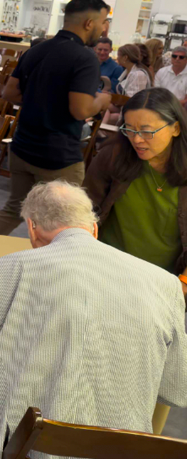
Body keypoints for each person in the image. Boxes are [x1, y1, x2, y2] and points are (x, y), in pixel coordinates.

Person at [0, 180, 187, 459]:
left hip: (15, 447)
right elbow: (175, 390)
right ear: (93, 228)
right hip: (116, 450)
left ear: (31, 227)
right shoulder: (166, 285)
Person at [84, 88, 187, 433]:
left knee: (146, 375)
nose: (137, 140)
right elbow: (86, 210)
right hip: (106, 276)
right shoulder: (114, 156)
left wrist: (181, 286)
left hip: (163, 289)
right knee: (95, 364)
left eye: (147, 131)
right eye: (129, 129)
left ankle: (136, 440)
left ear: (175, 128)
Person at [0, 0, 112, 235]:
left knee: (13, 210)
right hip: (58, 156)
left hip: (23, 147)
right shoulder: (84, 58)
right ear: (89, 23)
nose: (105, 28)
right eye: (103, 21)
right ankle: (53, 261)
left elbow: (10, 92)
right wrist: (102, 101)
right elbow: (80, 110)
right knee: (68, 223)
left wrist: (43, 99)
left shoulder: (37, 50)